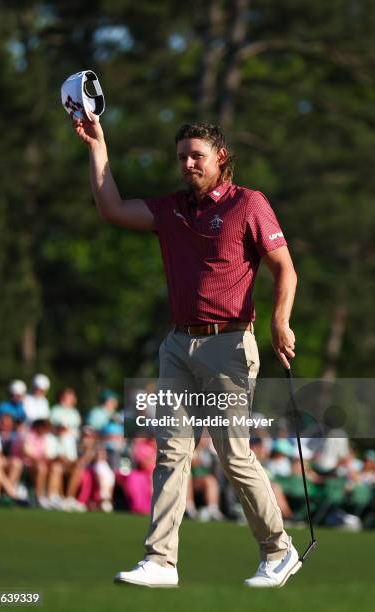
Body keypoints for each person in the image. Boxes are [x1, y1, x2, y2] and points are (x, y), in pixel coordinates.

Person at [73, 114, 299, 588]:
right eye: (181, 157)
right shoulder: (172, 209)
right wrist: (98, 146)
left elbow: (285, 268)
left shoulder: (249, 204)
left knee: (232, 453)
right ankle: (160, 560)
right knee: (170, 452)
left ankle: (279, 551)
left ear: (220, 157)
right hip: (178, 343)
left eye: (196, 155)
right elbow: (111, 208)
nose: (188, 164)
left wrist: (280, 320)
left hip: (229, 343)